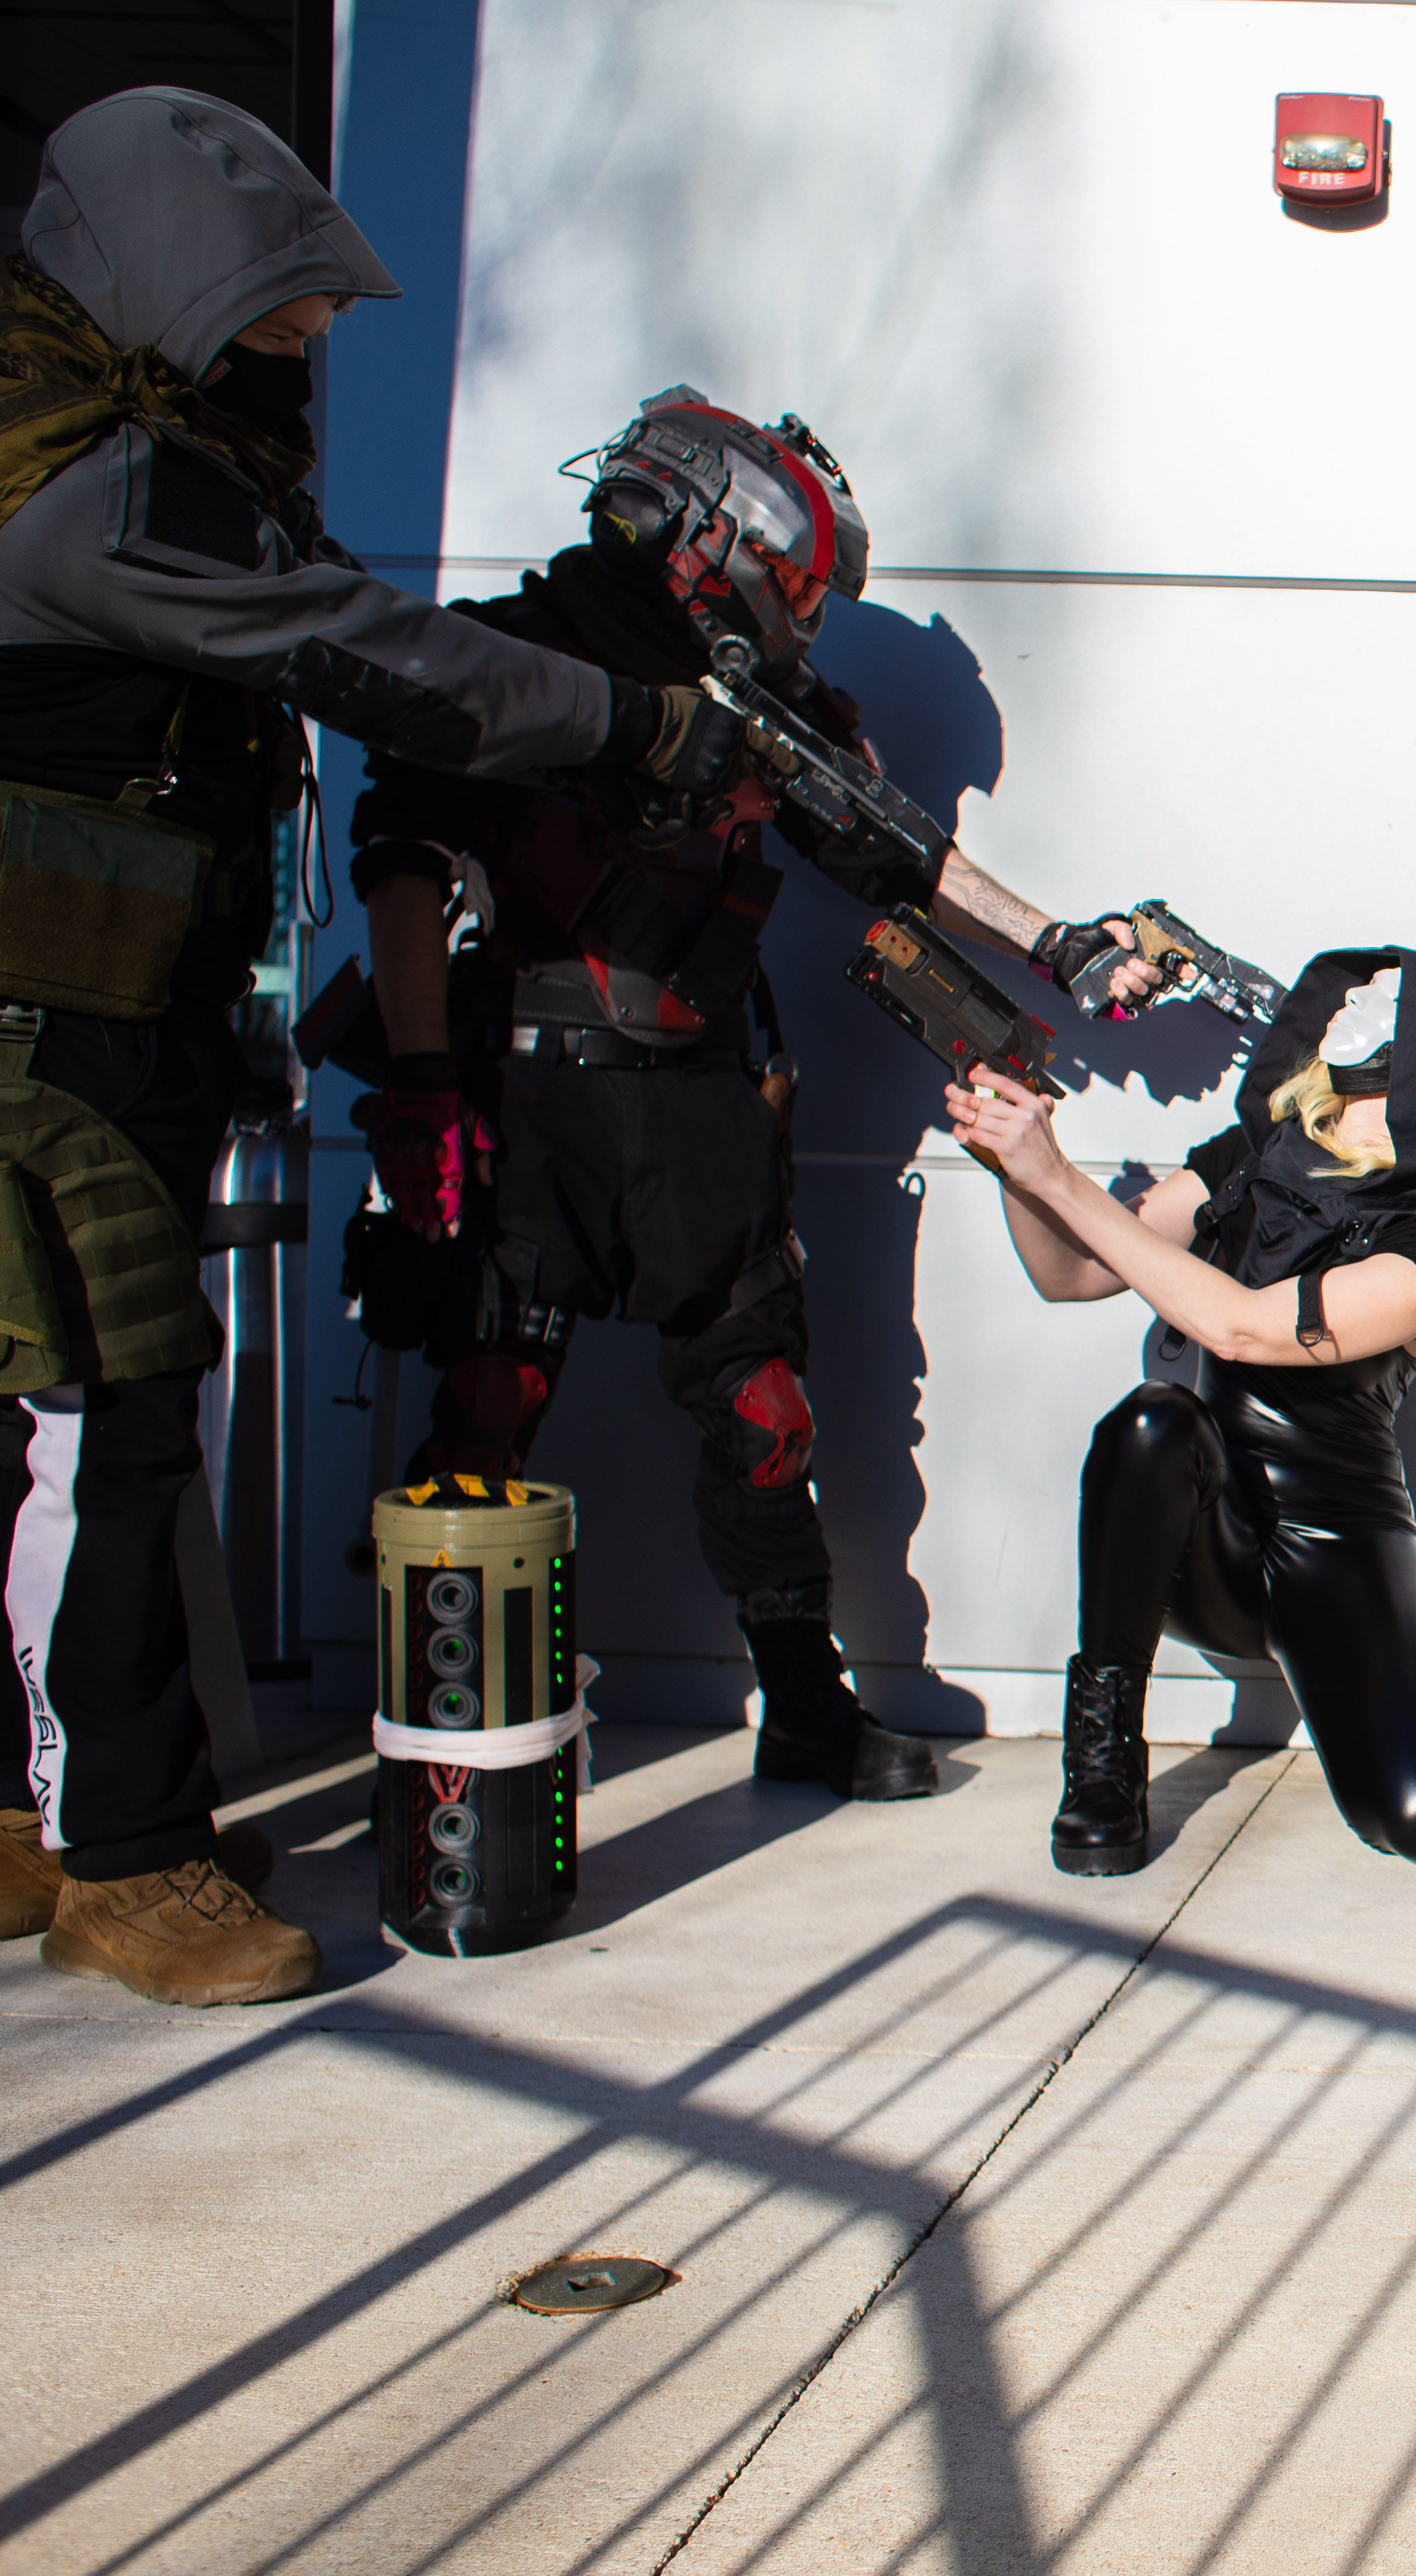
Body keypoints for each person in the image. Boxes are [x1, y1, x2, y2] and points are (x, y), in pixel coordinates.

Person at [0, 90, 740, 2004]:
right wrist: (635, 724)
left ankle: (6, 1819)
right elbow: (378, 656)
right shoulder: (82, 488)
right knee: (123, 1400)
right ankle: (128, 1860)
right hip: (40, 994)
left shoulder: (6, 412)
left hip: (5, 979)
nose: (300, 346)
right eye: (276, 313)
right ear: (162, 276)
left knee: (12, 1386)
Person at [342, 388, 1163, 1802]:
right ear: (711, 534)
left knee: (767, 1415)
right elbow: (403, 856)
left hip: (704, 1106)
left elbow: (893, 850)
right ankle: (444, 1755)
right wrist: (420, 1081)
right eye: (796, 584)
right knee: (485, 1405)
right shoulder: (513, 655)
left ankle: (806, 1708)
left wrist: (1059, 946)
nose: (805, 616)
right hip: (533, 1105)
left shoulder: (761, 709)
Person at [943, 949, 1416, 1869]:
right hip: (1207, 1538)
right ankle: (1103, 1760)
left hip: (1341, 1545)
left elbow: (1244, 1330)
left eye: (1387, 1000)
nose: (1350, 1002)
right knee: (1152, 1423)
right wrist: (1015, 1167)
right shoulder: (1254, 1156)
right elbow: (1074, 1273)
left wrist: (1060, 1180)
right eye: (1354, 988)